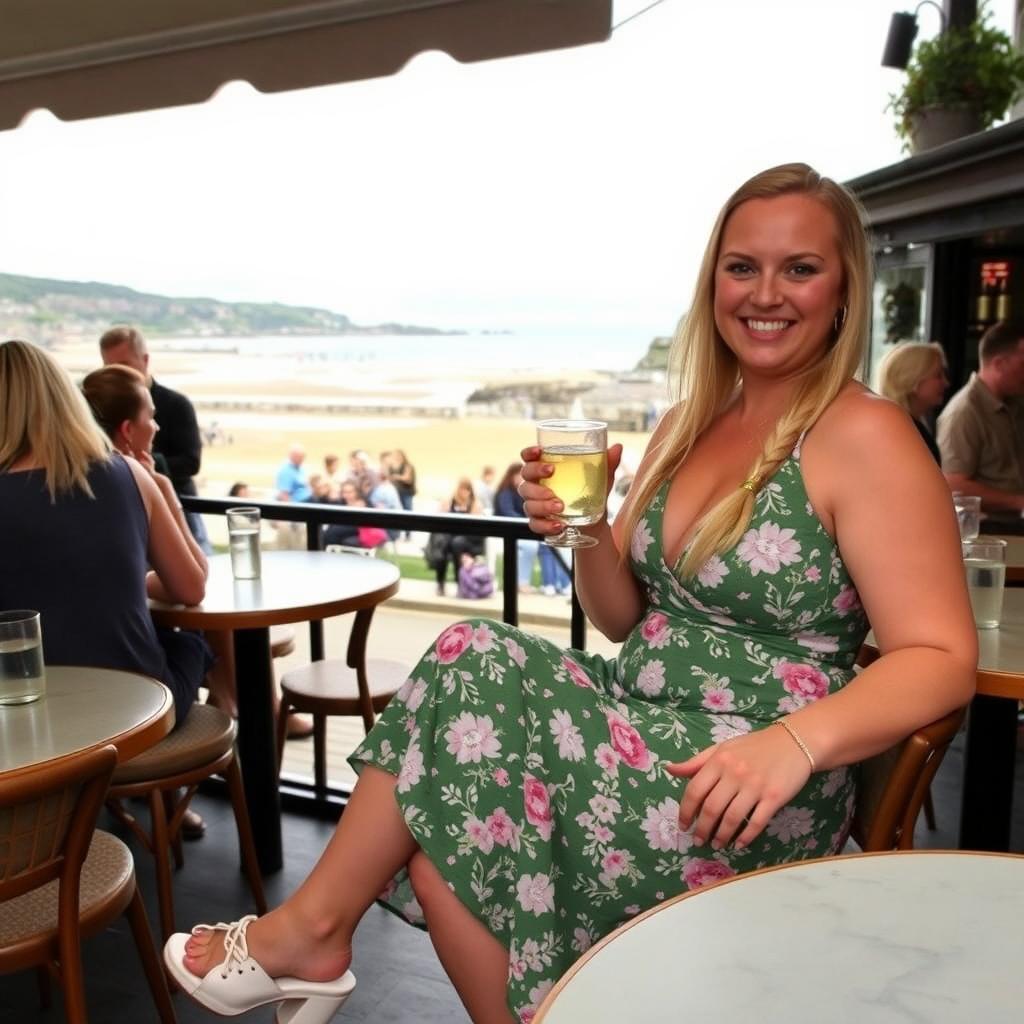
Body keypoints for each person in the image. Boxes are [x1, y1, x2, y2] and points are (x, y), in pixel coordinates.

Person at [166, 164, 976, 1024]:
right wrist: (581, 529)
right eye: (742, 267)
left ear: (845, 287)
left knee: (470, 655)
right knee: (448, 855)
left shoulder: (865, 435)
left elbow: (942, 659)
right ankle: (323, 940)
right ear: (713, 284)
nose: (765, 293)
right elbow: (623, 615)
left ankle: (310, 934)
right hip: (644, 729)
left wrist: (792, 745)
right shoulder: (688, 421)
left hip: (747, 781)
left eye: (799, 268)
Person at [1, 341, 210, 731]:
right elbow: (191, 588)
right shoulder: (128, 473)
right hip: (138, 708)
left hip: (33, 722)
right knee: (192, 645)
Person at [80, 362, 219, 837]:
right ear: (127, 429)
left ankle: (151, 803)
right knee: (196, 643)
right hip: (129, 700)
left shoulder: (61, 481)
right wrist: (165, 491)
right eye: (151, 417)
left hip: (68, 691)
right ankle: (220, 735)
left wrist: (129, 583)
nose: (157, 425)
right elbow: (193, 584)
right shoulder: (134, 482)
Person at [99, 325, 211, 553]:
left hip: (178, 506)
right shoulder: (100, 408)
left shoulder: (176, 404)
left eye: (124, 366)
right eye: (109, 368)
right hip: (126, 510)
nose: (118, 375)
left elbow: (191, 462)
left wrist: (143, 466)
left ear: (145, 360)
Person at [937, 320, 1024, 510]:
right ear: (999, 364)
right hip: (991, 530)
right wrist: (1018, 502)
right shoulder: (964, 412)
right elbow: (953, 484)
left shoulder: (1014, 403)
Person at [876, 341, 948, 464]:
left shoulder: (903, 424)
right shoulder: (900, 433)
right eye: (938, 375)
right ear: (913, 378)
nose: (946, 383)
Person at [429, 477, 485, 597]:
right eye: (461, 489)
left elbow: (476, 528)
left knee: (457, 544)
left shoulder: (475, 504)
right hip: (450, 537)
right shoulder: (449, 502)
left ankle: (459, 582)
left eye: (467, 489)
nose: (464, 492)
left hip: (469, 540)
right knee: (443, 544)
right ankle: (440, 583)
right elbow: (439, 520)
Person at [494, 461, 539, 594]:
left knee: (540, 546)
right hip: (504, 530)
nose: (521, 479)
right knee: (530, 546)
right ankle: (521, 582)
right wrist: (527, 520)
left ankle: (523, 582)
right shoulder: (505, 492)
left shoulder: (521, 493)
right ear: (511, 476)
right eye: (519, 476)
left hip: (519, 530)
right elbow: (508, 512)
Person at [274, 443, 312, 549]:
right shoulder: (286, 471)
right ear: (292, 456)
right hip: (297, 507)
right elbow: (284, 495)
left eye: (303, 456)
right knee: (302, 530)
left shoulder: (300, 468)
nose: (302, 459)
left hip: (307, 503)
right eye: (299, 457)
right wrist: (295, 512)